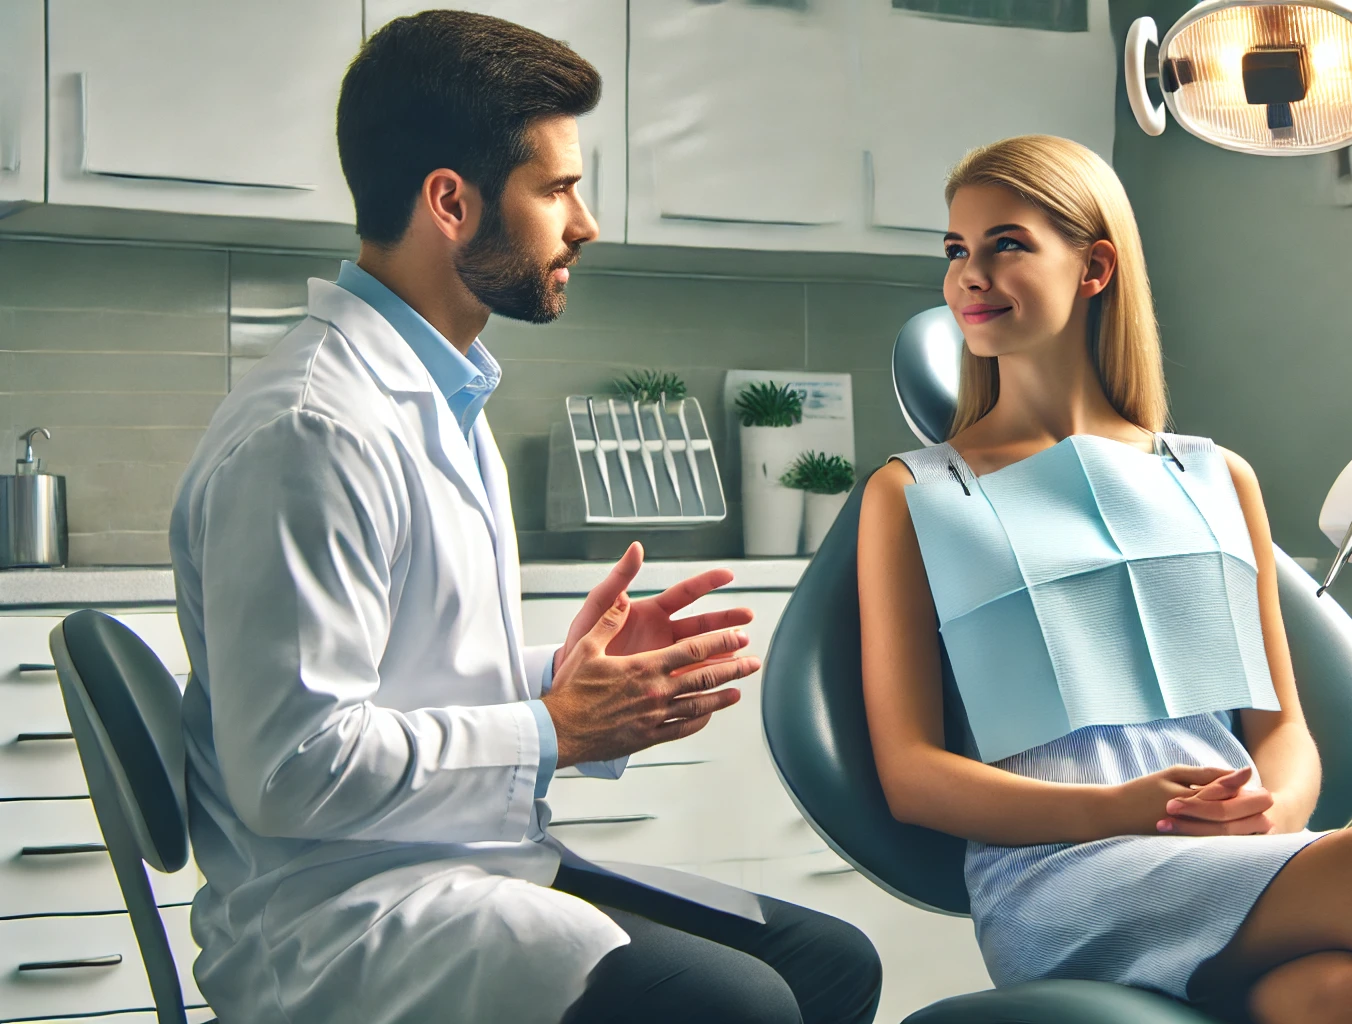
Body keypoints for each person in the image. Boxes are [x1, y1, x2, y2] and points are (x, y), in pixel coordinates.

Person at [169, 12, 878, 1024]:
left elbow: (402, 682)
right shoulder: (313, 430)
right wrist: (552, 728)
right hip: (340, 921)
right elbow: (294, 769)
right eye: (554, 189)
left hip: (454, 861)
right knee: (745, 1006)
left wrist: (570, 676)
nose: (582, 224)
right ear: (450, 202)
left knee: (832, 962)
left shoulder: (440, 398)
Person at [856, 134, 1352, 1024]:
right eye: (955, 251)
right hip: (1062, 874)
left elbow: (1281, 728)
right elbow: (912, 774)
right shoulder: (915, 494)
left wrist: (1273, 812)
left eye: (1005, 244)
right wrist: (1118, 808)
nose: (969, 275)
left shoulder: (1215, 477)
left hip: (1236, 855)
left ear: (1094, 269)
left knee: (1335, 997)